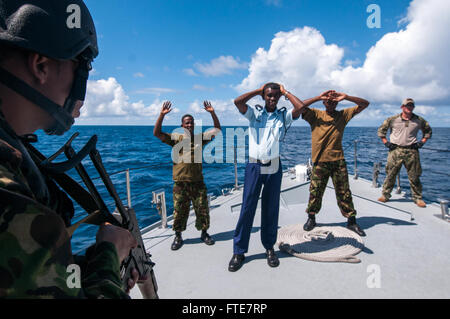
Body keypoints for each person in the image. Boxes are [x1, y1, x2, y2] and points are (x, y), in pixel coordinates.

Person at [0, 0, 140, 298]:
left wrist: (83, 270)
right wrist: (108, 256)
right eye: (83, 66)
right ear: (41, 66)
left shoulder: (13, 151)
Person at [228, 82, 307, 272]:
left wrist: (286, 92)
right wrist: (259, 90)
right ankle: (239, 251)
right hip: (254, 165)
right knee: (247, 207)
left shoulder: (283, 117)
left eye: (275, 96)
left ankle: (269, 247)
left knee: (271, 208)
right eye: (268, 95)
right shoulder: (254, 114)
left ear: (279, 97)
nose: (272, 99)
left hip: (274, 165)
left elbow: (301, 108)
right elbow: (237, 102)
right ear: (264, 97)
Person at [300, 90, 369, 237]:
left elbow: (365, 104)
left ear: (338, 102)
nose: (331, 103)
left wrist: (347, 97)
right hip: (320, 161)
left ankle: (351, 221)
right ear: (324, 102)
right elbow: (299, 107)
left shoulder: (343, 115)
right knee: (315, 192)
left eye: (334, 101)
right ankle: (311, 218)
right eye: (328, 101)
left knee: (344, 192)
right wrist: (318, 96)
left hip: (338, 161)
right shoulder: (315, 115)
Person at [154, 100, 221, 250]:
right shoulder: (176, 139)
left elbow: (217, 130)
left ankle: (204, 233)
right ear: (182, 125)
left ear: (194, 125)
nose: (189, 125)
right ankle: (178, 236)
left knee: (203, 210)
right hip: (180, 183)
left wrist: (212, 112)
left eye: (191, 123)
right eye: (186, 123)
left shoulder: (200, 139)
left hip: (197, 182)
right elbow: (157, 133)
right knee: (179, 212)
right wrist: (161, 115)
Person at [377, 98, 432, 207]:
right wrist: (386, 143)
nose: (409, 107)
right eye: (407, 105)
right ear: (402, 107)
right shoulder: (393, 119)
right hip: (395, 150)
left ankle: (418, 198)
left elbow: (428, 131)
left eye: (411, 105)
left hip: (412, 151)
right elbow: (381, 131)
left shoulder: (419, 120)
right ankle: (385, 195)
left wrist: (422, 142)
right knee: (390, 174)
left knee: (414, 176)